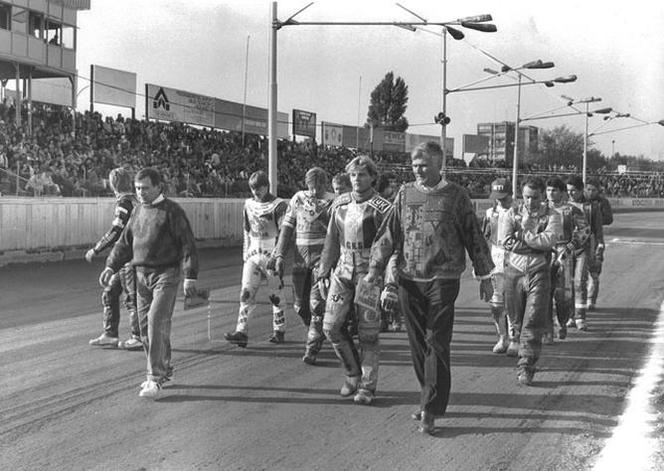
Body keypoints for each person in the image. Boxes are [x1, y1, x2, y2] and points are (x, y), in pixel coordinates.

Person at [366, 142, 494, 434]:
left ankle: (430, 408)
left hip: (444, 279)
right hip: (409, 279)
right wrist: (375, 269)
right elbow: (388, 234)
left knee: (436, 341)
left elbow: (474, 236)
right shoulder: (404, 194)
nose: (418, 170)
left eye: (424, 165)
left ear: (439, 164)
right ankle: (429, 397)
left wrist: (485, 275)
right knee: (418, 345)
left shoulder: (457, 196)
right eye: (414, 166)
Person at [100, 167, 199, 399]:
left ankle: (154, 378)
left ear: (158, 187)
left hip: (167, 274)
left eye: (144, 188)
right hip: (141, 275)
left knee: (156, 321)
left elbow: (187, 244)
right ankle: (165, 369)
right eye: (137, 188)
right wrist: (110, 266)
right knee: (145, 329)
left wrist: (190, 275)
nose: (140, 193)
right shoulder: (136, 212)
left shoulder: (173, 212)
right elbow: (124, 244)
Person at [317, 155, 392, 406]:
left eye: (362, 174)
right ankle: (352, 373)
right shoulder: (339, 204)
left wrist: (389, 283)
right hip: (342, 272)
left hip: (369, 275)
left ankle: (368, 386)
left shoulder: (384, 208)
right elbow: (330, 241)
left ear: (373, 177)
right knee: (330, 326)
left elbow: (392, 247)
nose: (357, 179)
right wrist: (322, 272)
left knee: (368, 333)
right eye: (352, 175)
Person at [268, 167, 335, 365]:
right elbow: (287, 228)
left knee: (316, 304)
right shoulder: (298, 198)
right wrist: (279, 254)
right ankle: (315, 330)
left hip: (321, 257)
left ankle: (311, 348)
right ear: (306, 185)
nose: (315, 191)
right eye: (311, 187)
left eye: (319, 187)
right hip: (299, 257)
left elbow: (338, 230)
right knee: (299, 306)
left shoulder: (334, 200)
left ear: (326, 184)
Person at [501, 177, 562, 386]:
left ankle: (526, 366)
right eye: (526, 197)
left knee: (533, 320)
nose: (530, 201)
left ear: (542, 196)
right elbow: (506, 241)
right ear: (521, 195)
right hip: (514, 272)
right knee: (516, 320)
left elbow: (550, 240)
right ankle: (515, 340)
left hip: (539, 271)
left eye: (534, 197)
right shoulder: (512, 212)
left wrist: (524, 235)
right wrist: (535, 245)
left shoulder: (552, 215)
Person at [224, 170, 288, 348]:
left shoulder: (279, 205)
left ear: (266, 186)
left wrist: (277, 254)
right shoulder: (248, 204)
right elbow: (246, 229)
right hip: (253, 253)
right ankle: (241, 331)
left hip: (270, 252)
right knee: (245, 293)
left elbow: (284, 232)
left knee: (275, 295)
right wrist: (245, 253)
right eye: (252, 188)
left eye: (258, 188)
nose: (255, 192)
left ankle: (279, 329)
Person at [87, 167, 142, 350]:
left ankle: (138, 337)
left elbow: (116, 230)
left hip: (129, 256)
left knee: (131, 297)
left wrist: (96, 249)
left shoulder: (124, 202)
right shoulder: (135, 200)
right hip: (129, 255)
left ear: (113, 184)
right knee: (110, 292)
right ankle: (110, 334)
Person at [545, 177, 590, 343]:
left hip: (563, 253)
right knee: (543, 292)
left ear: (563, 192)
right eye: (548, 190)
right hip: (543, 253)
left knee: (562, 294)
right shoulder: (540, 209)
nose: (550, 193)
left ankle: (562, 322)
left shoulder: (571, 210)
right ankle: (548, 330)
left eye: (554, 190)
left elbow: (585, 229)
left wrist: (571, 246)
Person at [565, 176, 604, 331]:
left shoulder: (592, 207)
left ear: (581, 190)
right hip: (568, 249)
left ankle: (580, 317)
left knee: (580, 281)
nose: (571, 194)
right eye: (568, 191)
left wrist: (599, 249)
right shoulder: (564, 206)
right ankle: (569, 316)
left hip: (585, 248)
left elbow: (598, 231)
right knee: (567, 282)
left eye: (573, 190)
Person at [481, 177, 513, 354]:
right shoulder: (489, 214)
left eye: (504, 197)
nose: (500, 200)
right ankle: (502, 337)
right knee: (496, 304)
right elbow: (483, 239)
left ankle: (516, 338)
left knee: (515, 303)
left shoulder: (519, 212)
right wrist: (480, 266)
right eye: (497, 197)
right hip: (495, 261)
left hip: (516, 261)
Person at [585, 179, 612, 310]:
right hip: (580, 240)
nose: (590, 192)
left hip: (596, 238)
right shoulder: (580, 202)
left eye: (593, 190)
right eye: (588, 189)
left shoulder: (603, 202)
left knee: (594, 271)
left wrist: (597, 216)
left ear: (598, 190)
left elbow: (609, 219)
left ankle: (591, 300)